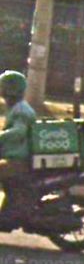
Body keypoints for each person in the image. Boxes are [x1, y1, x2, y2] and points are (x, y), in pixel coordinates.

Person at [0, 70, 36, 221]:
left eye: (3, 88)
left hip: (18, 161)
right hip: (15, 158)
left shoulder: (21, 110)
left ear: (10, 89)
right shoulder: (17, 107)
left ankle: (9, 215)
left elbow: (19, 131)